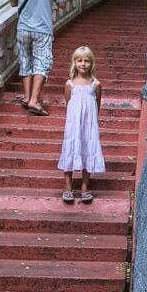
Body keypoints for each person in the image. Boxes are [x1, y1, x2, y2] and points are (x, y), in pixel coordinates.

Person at [9, 0, 66, 116]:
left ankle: (27, 97)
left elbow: (13, 3)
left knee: (25, 60)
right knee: (42, 62)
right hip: (42, 30)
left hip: (23, 29)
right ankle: (34, 100)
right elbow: (62, 4)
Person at [58, 45, 105, 203]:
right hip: (74, 126)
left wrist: (92, 121)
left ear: (92, 63)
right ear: (74, 63)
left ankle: (85, 187)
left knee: (88, 150)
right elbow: (68, 103)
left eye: (86, 61)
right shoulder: (69, 84)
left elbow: (97, 103)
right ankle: (68, 188)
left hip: (89, 125)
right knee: (70, 149)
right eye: (79, 61)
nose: (83, 64)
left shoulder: (95, 84)